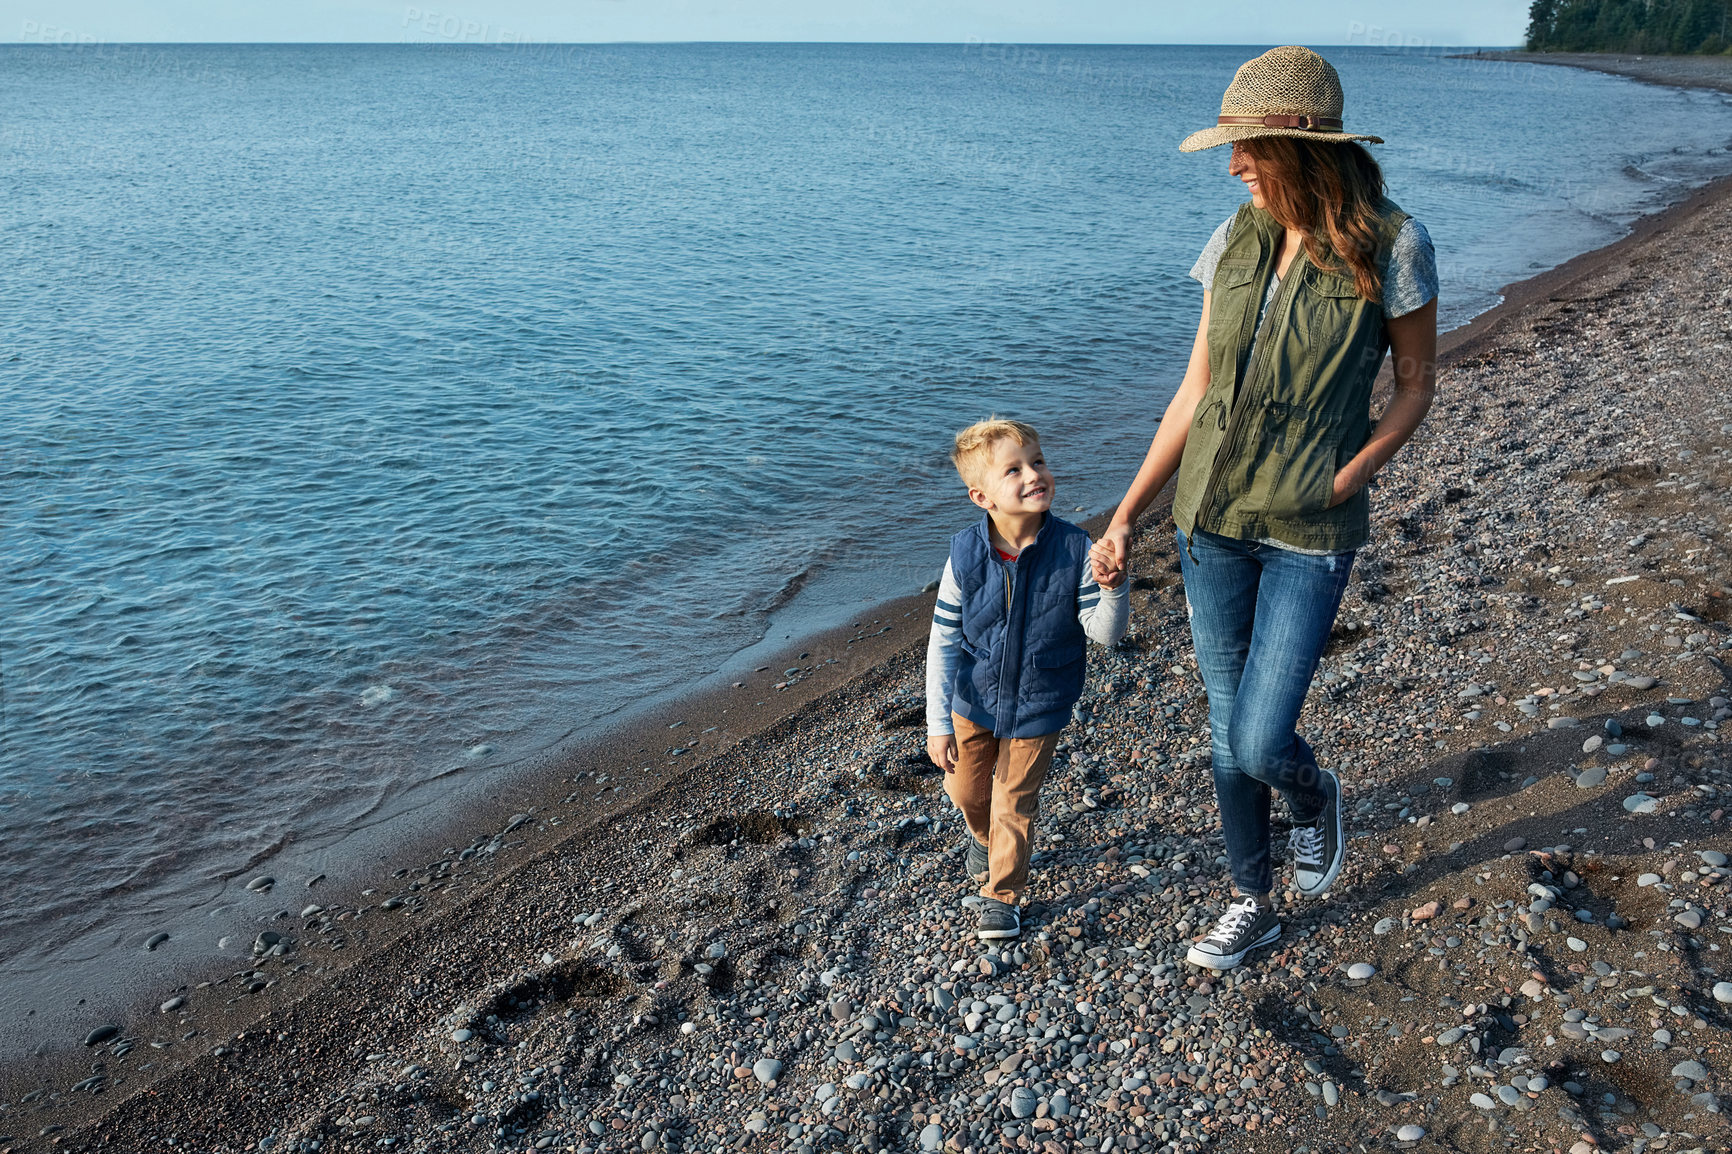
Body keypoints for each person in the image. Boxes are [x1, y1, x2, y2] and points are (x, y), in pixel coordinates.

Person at [1092, 46, 1439, 971]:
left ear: (1302, 148)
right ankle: (1253, 899)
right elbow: (1194, 391)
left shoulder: (1395, 244)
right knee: (1222, 727)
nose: (1233, 164)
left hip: (1308, 528)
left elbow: (1413, 384)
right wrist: (1126, 513)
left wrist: (1357, 470)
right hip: (1209, 521)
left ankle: (1315, 793)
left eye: (1247, 148)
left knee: (1257, 735)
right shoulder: (1232, 241)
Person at [926, 418, 1129, 940]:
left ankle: (1003, 894)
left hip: (1041, 701)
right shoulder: (965, 555)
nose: (1033, 474)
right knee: (968, 792)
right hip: (973, 700)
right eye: (1013, 470)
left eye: (1037, 462)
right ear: (981, 496)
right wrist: (937, 723)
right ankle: (983, 836)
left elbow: (1105, 635)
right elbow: (944, 641)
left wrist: (1113, 589)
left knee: (1013, 801)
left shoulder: (1073, 550)